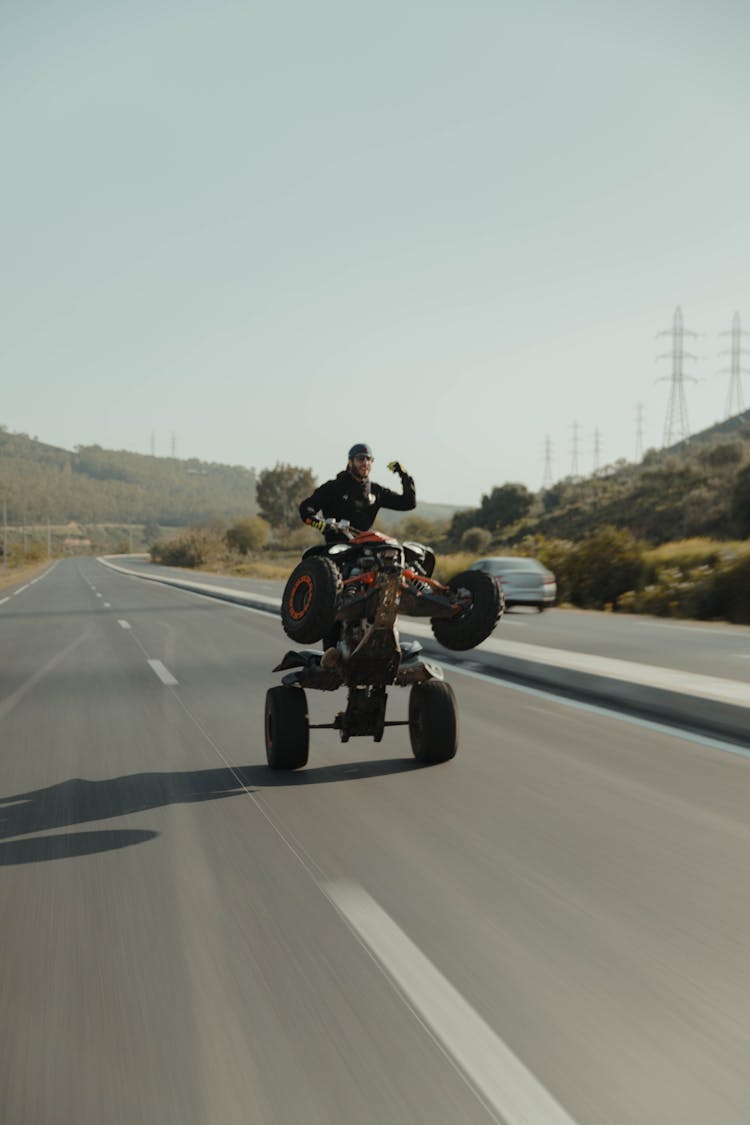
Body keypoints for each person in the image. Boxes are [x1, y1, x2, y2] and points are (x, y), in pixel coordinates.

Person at [299, 443, 416, 539]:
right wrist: (319, 524)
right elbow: (306, 508)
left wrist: (404, 476)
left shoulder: (376, 491)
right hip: (337, 549)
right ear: (350, 462)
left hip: (366, 548)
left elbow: (408, 503)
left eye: (369, 459)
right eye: (360, 458)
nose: (365, 463)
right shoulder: (333, 487)